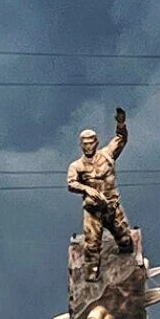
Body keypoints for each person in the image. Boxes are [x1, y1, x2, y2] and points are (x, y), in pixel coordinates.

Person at [67, 107, 135, 282]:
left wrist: (121, 123)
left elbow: (121, 139)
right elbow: (71, 183)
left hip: (112, 207)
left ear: (96, 143)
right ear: (81, 145)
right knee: (92, 245)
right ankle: (91, 277)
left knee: (125, 240)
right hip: (93, 210)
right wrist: (86, 189)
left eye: (91, 143)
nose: (88, 146)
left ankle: (127, 270)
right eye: (85, 143)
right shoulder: (77, 166)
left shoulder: (107, 155)